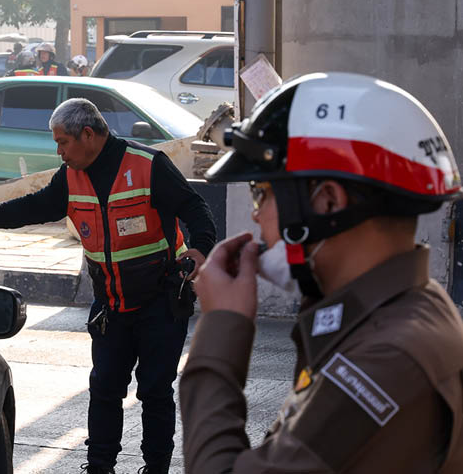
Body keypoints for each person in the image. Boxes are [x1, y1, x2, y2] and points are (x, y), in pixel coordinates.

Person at [181, 72, 463, 473]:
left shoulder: (384, 361)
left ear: (327, 201)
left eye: (263, 192)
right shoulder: (409, 306)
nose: (258, 216)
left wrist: (221, 327)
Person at [0, 98, 216, 474]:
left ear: (88, 135)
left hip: (161, 301)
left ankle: (156, 468)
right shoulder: (70, 176)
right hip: (111, 305)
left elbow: (196, 208)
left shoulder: (147, 165)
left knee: (154, 392)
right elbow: (32, 208)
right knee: (104, 389)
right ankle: (99, 467)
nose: (59, 151)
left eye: (63, 142)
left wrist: (200, 249)